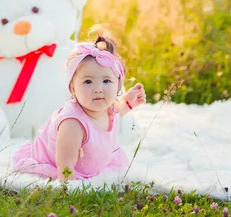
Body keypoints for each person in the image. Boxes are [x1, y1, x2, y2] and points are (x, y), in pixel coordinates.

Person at [12, 28, 146, 181]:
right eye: (88, 81)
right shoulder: (72, 124)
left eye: (106, 81)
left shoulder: (106, 108)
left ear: (118, 85)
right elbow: (65, 168)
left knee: (120, 173)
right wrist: (73, 189)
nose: (98, 89)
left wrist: (129, 101)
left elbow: (116, 112)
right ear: (72, 88)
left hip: (95, 161)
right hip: (61, 164)